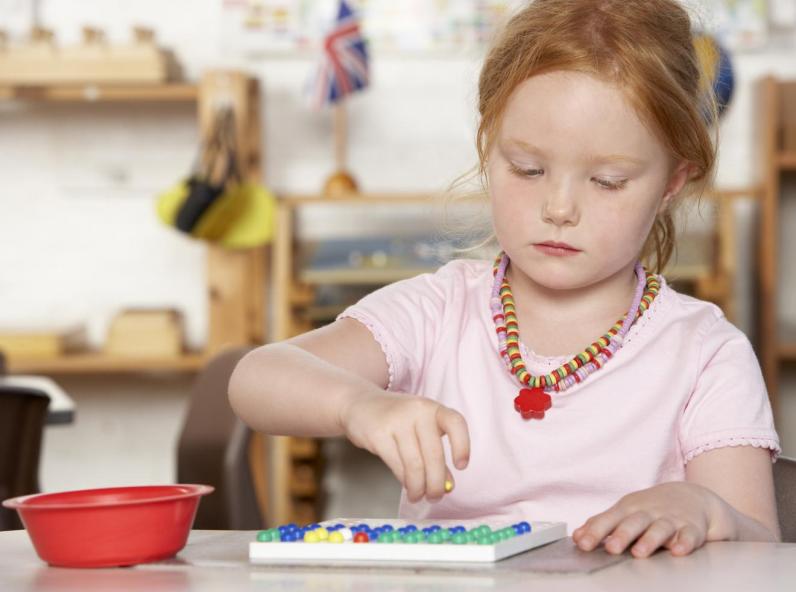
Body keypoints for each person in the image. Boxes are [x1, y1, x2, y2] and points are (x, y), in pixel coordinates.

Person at [229, 0, 781, 558]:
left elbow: (762, 542)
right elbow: (257, 377)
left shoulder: (707, 352)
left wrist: (707, 508)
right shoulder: (439, 311)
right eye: (527, 169)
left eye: (609, 181)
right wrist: (356, 406)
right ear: (489, 148)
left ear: (672, 182)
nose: (559, 207)